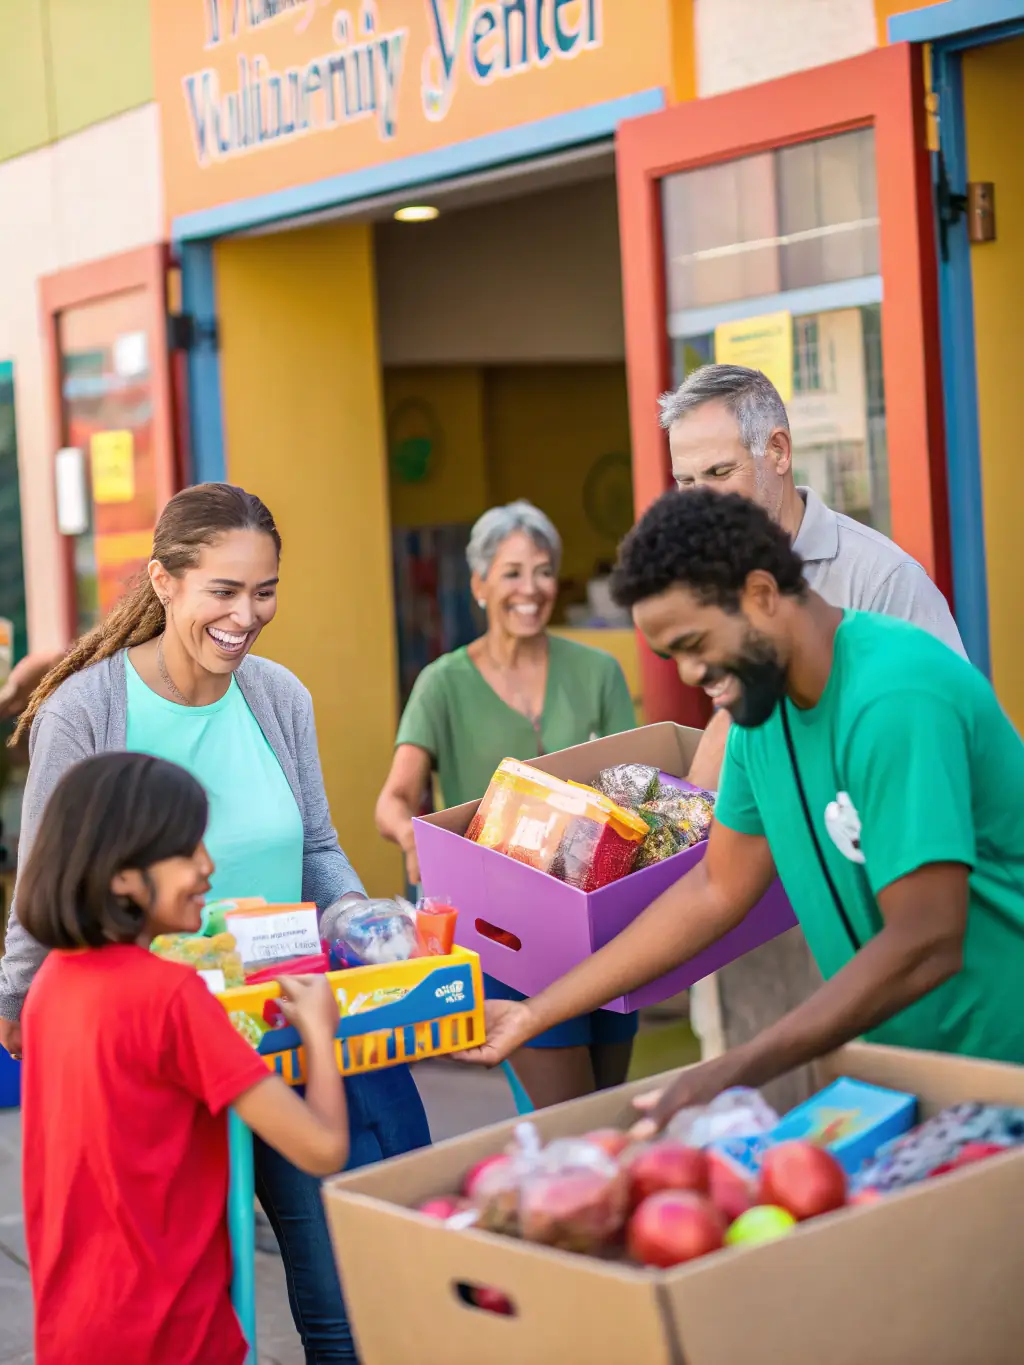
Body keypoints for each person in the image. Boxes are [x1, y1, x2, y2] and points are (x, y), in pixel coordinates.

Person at [0, 483, 429, 1364]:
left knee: (348, 1295)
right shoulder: (86, 708)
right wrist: (19, 996)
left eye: (265, 589)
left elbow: (316, 848)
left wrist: (367, 928)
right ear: (164, 582)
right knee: (183, 1295)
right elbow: (48, 872)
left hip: (285, 1018)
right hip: (164, 1049)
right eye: (224, 591)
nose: (248, 614)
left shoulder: (278, 697)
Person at [459, 489, 1024, 1130]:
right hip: (916, 1077)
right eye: (675, 656)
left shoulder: (894, 696)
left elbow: (926, 939)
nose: (696, 673)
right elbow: (714, 887)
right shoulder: (762, 717)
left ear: (760, 593)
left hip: (1005, 1064)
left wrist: (733, 1069)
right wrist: (537, 1012)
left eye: (697, 642)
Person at [662, 364, 967, 1097]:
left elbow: (942, 749)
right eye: (684, 483)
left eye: (719, 472)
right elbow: (731, 732)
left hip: (879, 921)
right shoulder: (714, 579)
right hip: (761, 923)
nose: (699, 503)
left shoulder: (883, 582)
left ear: (777, 451)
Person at [20, 751, 349, 1365]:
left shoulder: (52, 986)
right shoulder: (171, 997)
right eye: (187, 850)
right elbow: (322, 1147)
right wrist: (318, 1034)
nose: (207, 867)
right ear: (122, 875)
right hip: (172, 1334)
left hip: (73, 1330)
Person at [376, 500, 638, 1109]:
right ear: (480, 584)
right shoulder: (442, 683)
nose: (531, 588)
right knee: (565, 1118)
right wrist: (412, 837)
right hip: (509, 928)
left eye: (543, 571)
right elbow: (393, 797)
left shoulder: (598, 672)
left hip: (602, 919)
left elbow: (640, 782)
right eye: (513, 572)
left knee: (608, 1105)